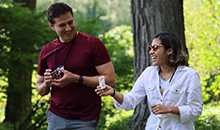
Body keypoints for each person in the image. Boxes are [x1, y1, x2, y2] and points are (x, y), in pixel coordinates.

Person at [95, 32, 202, 130]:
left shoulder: (190, 75)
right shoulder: (148, 73)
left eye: (155, 48)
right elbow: (130, 101)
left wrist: (170, 109)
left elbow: (196, 109)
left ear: (170, 50)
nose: (151, 52)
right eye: (150, 48)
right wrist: (113, 93)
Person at [36, 2, 115, 130]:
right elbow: (40, 90)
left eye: (70, 22)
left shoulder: (93, 44)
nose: (68, 28)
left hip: (86, 118)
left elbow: (110, 80)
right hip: (56, 117)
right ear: (52, 26)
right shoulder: (46, 51)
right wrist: (46, 83)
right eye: (62, 25)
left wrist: (76, 78)